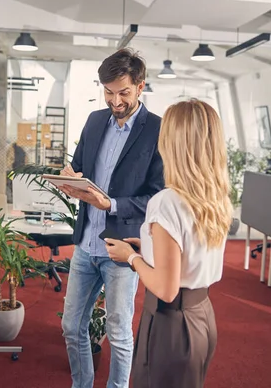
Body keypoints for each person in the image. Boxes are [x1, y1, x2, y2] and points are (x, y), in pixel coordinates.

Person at [105, 99, 232, 388]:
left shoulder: (166, 202)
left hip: (170, 324)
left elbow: (165, 288)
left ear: (173, 143)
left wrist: (131, 258)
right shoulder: (215, 197)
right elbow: (190, 252)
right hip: (202, 317)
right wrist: (148, 247)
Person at [58, 48, 164, 388]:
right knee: (72, 327)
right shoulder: (93, 121)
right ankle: (81, 384)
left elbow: (158, 197)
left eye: (123, 92)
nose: (114, 100)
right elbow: (79, 167)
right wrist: (69, 178)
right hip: (86, 245)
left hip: (122, 249)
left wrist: (113, 205)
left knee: (119, 333)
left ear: (140, 86)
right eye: (108, 91)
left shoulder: (158, 130)